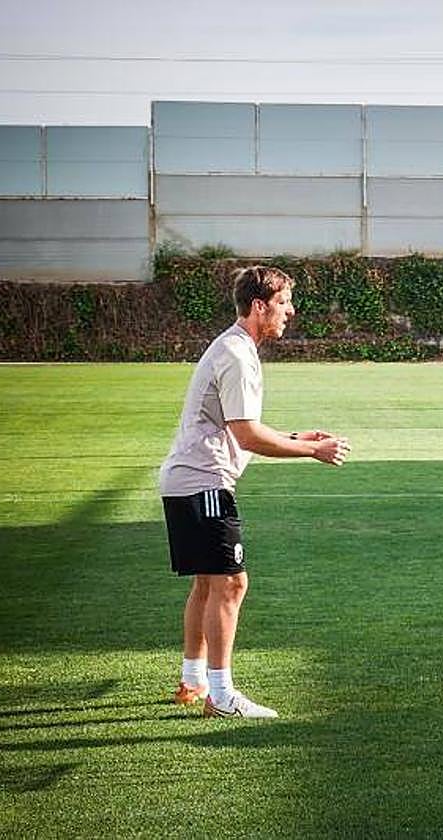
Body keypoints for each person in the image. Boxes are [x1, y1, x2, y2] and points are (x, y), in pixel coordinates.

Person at [160, 265, 350, 718]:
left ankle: (192, 681)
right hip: (204, 480)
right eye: (283, 303)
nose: (291, 311)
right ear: (259, 306)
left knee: (209, 583)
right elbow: (246, 436)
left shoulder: (233, 347)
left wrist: (295, 436)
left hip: (190, 479)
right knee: (231, 582)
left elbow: (238, 427)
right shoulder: (238, 353)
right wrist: (313, 452)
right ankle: (221, 697)